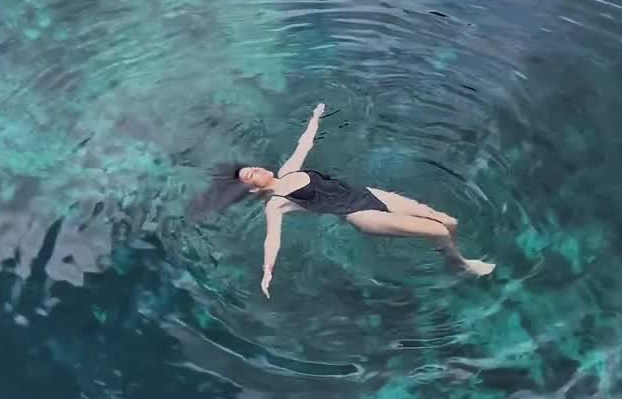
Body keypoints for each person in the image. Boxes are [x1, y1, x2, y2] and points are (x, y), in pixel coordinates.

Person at [190, 103, 495, 297]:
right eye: (249, 176)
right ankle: (460, 264)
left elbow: (304, 143)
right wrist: (268, 271)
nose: (254, 169)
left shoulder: (288, 170)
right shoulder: (276, 202)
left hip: (370, 193)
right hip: (361, 213)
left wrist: (315, 118)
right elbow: (273, 239)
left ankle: (447, 254)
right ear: (254, 189)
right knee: (439, 231)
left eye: (251, 167)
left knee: (447, 221)